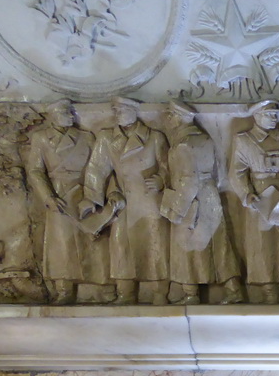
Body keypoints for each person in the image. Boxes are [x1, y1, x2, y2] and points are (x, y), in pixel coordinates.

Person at [81, 97, 169, 304]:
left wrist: (161, 179)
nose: (118, 114)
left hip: (150, 202)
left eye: (122, 110)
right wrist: (93, 198)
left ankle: (160, 293)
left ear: (134, 111)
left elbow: (169, 166)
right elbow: (97, 169)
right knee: (121, 247)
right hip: (123, 203)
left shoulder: (154, 137)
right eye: (116, 111)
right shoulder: (106, 138)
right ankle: (125, 293)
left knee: (155, 246)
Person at [25, 99, 107, 303]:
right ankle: (64, 289)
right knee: (61, 243)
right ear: (53, 116)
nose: (71, 117)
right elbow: (35, 170)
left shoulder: (86, 137)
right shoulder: (41, 138)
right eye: (65, 114)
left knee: (93, 239)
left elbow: (98, 166)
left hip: (85, 192)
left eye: (71, 113)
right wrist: (48, 196)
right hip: (59, 195)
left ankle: (103, 287)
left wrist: (94, 195)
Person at [160, 100, 242, 304]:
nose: (167, 120)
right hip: (210, 195)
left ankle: (191, 294)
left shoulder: (182, 144)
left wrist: (177, 210)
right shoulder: (205, 139)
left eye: (170, 116)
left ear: (177, 118)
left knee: (186, 246)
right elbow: (220, 174)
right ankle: (233, 289)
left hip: (190, 198)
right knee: (219, 245)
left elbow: (188, 180)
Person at [229, 101, 279, 303]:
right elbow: (236, 172)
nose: (274, 118)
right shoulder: (244, 141)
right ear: (256, 115)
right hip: (261, 199)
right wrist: (246, 194)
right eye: (269, 114)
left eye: (276, 114)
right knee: (264, 245)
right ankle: (269, 291)